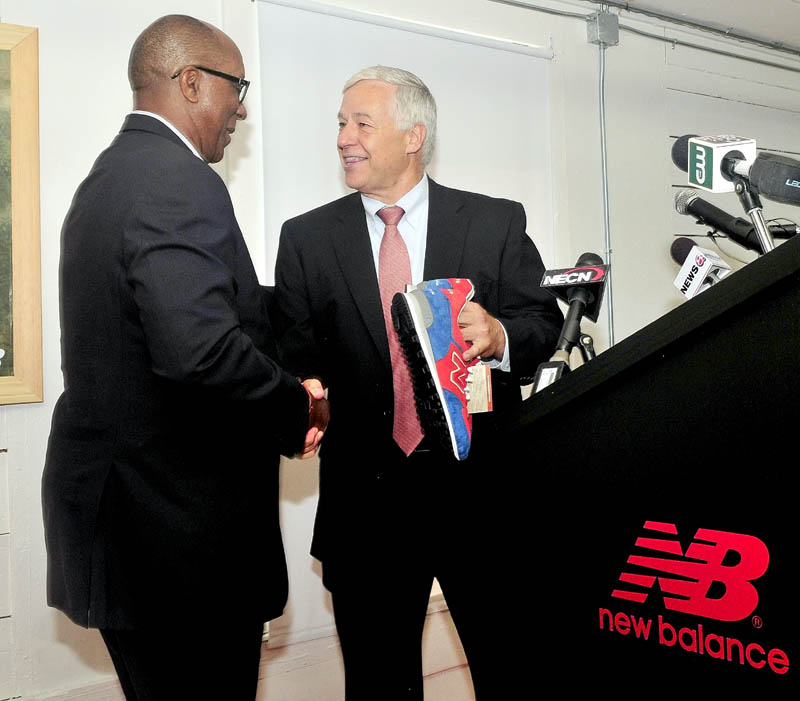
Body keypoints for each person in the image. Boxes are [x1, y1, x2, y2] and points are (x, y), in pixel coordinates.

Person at [41, 15, 328, 700]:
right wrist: (299, 405)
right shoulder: (176, 179)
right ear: (191, 81)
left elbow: (172, 316)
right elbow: (199, 350)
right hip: (174, 539)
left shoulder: (113, 176)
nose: (242, 106)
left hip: (131, 527)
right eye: (237, 86)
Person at [272, 66, 563, 698]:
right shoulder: (306, 239)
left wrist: (500, 335)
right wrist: (305, 401)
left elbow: (544, 320)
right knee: (379, 685)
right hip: (366, 507)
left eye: (362, 123)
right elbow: (295, 357)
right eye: (341, 124)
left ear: (413, 136)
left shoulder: (494, 222)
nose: (345, 137)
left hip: (480, 497)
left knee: (513, 672)